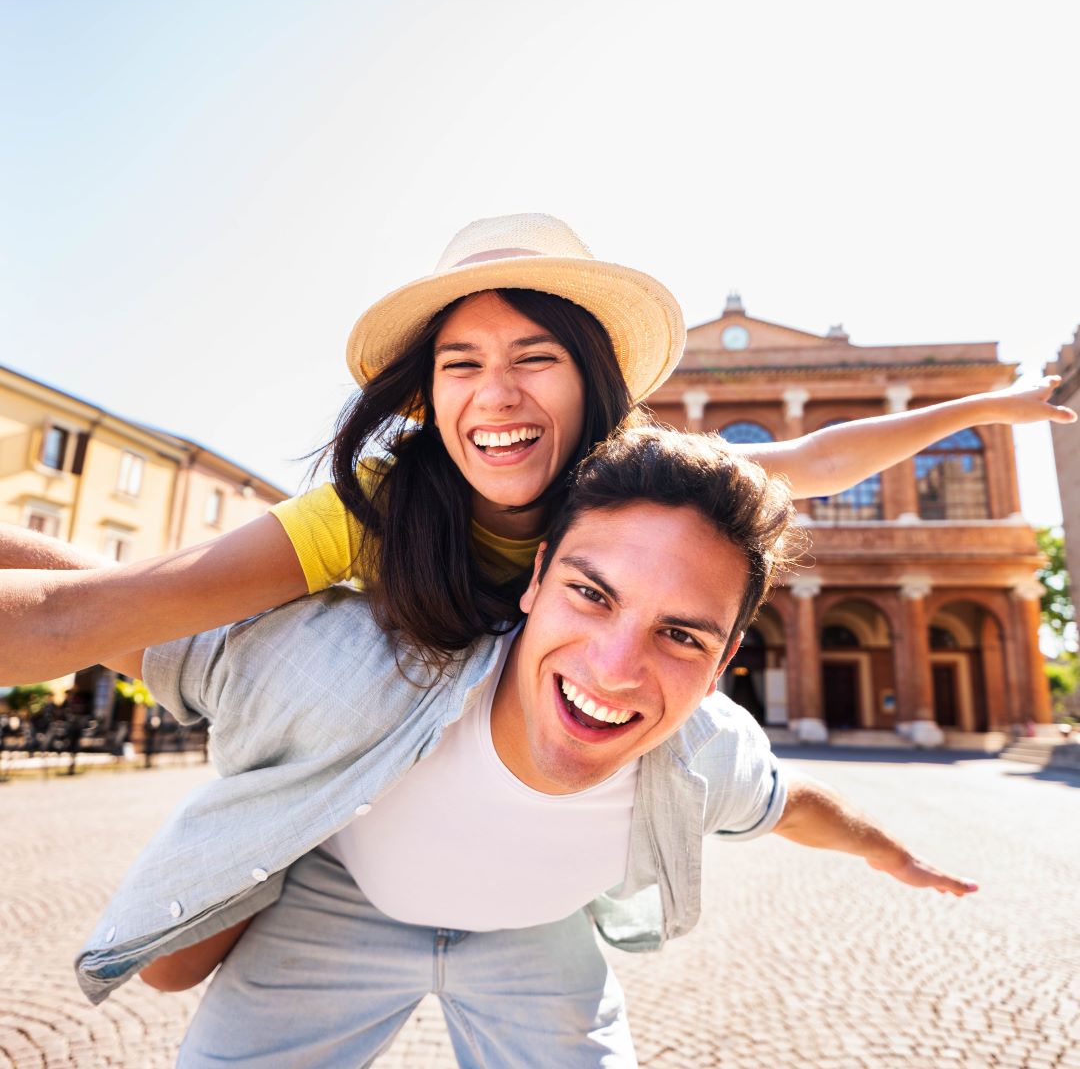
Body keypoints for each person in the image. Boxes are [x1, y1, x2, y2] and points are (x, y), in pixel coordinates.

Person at [76, 428, 976, 1067]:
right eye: (592, 595)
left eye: (682, 636)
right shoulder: (351, 662)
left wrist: (891, 853)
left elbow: (794, 803)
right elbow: (104, 608)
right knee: (168, 972)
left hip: (534, 942)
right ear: (536, 578)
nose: (616, 670)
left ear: (724, 663)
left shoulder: (704, 752)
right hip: (336, 905)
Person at [0, 213, 1074, 685]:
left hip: (495, 766)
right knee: (143, 629)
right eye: (460, 364)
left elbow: (824, 456)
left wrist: (1009, 408)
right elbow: (94, 613)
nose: (497, 397)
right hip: (312, 708)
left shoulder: (633, 487)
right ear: (423, 395)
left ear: (596, 377)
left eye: (536, 357)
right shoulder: (377, 500)